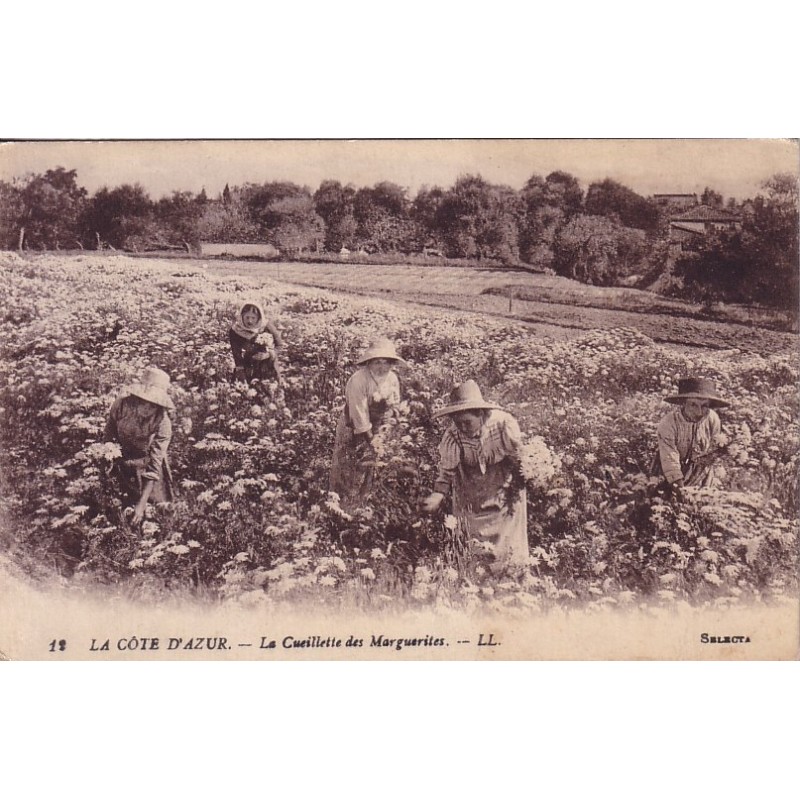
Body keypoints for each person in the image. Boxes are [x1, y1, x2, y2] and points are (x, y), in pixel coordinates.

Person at [421, 380, 528, 566]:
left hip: (504, 485)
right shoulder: (453, 436)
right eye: (458, 423)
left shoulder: (503, 425)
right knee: (473, 539)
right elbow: (447, 470)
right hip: (469, 489)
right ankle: (473, 579)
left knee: (507, 543)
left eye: (467, 423)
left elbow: (521, 458)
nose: (462, 428)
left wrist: (523, 477)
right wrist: (437, 495)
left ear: (480, 414)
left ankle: (510, 577)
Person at [329, 337, 405, 510]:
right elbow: (359, 414)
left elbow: (394, 404)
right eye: (377, 362)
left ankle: (365, 502)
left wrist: (388, 429)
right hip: (354, 426)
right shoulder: (359, 380)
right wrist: (372, 440)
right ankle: (340, 504)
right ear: (369, 362)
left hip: (379, 426)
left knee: (373, 465)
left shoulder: (392, 378)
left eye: (386, 362)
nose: (382, 367)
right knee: (348, 463)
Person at [104, 366, 175, 525]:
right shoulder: (121, 405)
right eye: (144, 401)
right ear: (137, 398)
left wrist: (141, 505)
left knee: (155, 513)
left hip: (146, 462)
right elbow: (109, 431)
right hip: (121, 458)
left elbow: (154, 466)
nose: (147, 408)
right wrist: (108, 455)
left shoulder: (163, 424)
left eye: (153, 404)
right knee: (115, 507)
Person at [654, 377, 729, 490]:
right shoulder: (669, 423)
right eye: (693, 405)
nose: (699, 412)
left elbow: (713, 450)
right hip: (667, 472)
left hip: (700, 472)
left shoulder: (713, 419)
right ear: (684, 404)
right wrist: (680, 489)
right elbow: (669, 458)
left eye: (704, 406)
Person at [228, 302, 284, 384]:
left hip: (268, 365)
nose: (249, 321)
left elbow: (279, 345)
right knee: (245, 391)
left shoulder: (266, 326)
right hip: (248, 365)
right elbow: (236, 354)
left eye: (253, 318)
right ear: (241, 316)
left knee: (270, 390)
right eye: (247, 317)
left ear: (258, 318)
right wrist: (240, 370)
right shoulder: (236, 330)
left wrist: (268, 354)